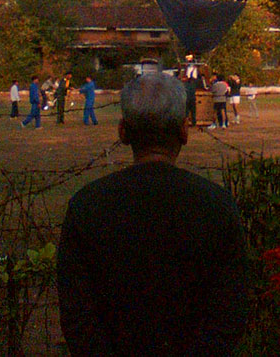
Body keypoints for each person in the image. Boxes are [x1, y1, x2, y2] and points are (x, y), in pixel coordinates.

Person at [56, 72, 249, 356]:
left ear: (123, 132)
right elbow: (229, 314)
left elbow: (77, 317)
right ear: (184, 131)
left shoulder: (88, 206)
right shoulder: (216, 205)